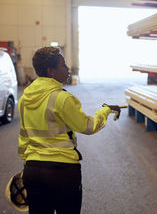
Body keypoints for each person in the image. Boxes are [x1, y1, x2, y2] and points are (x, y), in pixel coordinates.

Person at [17, 46, 121, 214]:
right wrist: (105, 110)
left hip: (32, 171)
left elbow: (24, 137)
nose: (67, 69)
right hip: (62, 173)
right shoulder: (62, 98)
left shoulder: (24, 99)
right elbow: (87, 126)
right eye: (63, 65)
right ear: (51, 71)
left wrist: (28, 164)